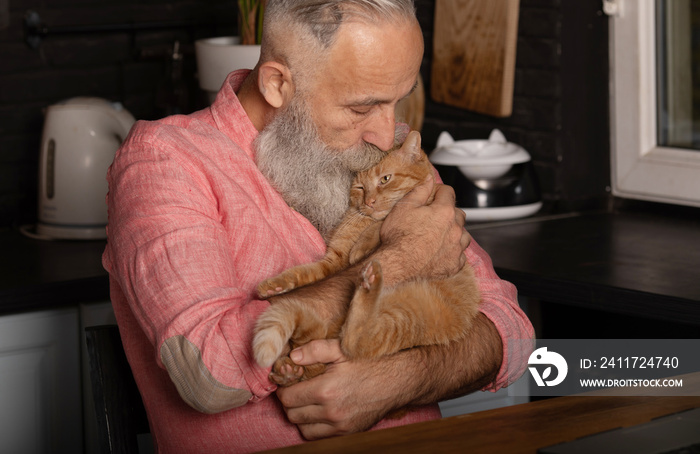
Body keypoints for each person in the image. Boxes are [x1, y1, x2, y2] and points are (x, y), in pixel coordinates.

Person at [102, 0, 534, 452]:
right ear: (276, 84)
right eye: (361, 107)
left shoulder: (394, 155)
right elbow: (208, 375)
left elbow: (512, 332)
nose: (388, 135)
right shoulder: (166, 159)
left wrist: (400, 380)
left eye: (397, 100)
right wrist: (402, 260)